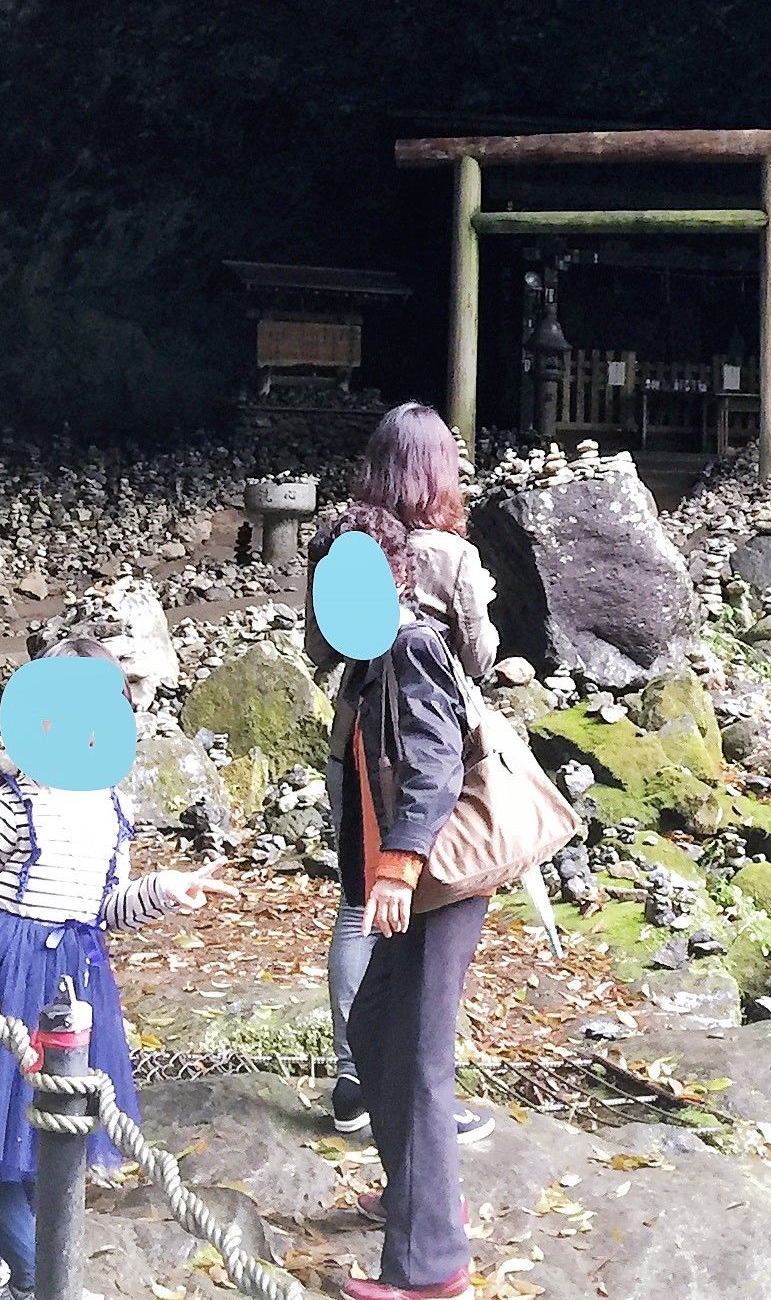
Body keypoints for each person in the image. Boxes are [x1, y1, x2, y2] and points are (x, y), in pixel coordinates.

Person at [0, 641, 231, 1300]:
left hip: (74, 981)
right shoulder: (12, 800)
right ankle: (40, 1275)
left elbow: (106, 906)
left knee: (52, 1137)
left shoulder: (115, 809)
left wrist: (167, 889)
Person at [306, 404, 497, 1144]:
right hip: (428, 754)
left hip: (353, 744)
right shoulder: (450, 557)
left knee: (358, 905)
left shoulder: (346, 544)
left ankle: (354, 1081)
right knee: (429, 920)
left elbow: (317, 649)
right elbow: (478, 660)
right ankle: (417, 1094)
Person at [324, 500, 490, 1300]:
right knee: (374, 1032)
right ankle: (418, 1201)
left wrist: (395, 864)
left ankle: (431, 1268)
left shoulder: (410, 647)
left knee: (416, 1060)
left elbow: (433, 766)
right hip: (405, 889)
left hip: (434, 883)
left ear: (394, 575)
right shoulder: (369, 654)